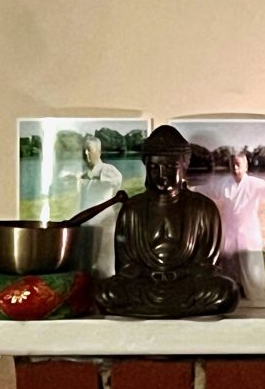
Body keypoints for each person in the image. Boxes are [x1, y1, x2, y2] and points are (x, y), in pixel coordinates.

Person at [95, 125, 239, 318]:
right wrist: (147, 275)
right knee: (104, 293)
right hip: (144, 285)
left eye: (171, 168)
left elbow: (207, 264)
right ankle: (175, 308)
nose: (162, 175)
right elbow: (125, 266)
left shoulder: (204, 208)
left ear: (184, 167)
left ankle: (153, 309)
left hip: (188, 284)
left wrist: (178, 275)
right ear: (146, 167)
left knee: (226, 291)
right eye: (155, 167)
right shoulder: (132, 210)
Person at [199, 153, 265, 304]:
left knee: (251, 264)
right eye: (232, 164)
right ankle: (231, 295)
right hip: (229, 229)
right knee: (229, 264)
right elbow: (207, 189)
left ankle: (256, 297)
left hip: (248, 230)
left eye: (238, 164)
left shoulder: (254, 183)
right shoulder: (224, 183)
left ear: (246, 166)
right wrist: (188, 187)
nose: (235, 168)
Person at [78, 136, 124, 278]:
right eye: (84, 150)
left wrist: (98, 178)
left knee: (104, 265)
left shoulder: (107, 169)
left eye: (89, 150)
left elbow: (118, 180)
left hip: (104, 224)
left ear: (98, 151)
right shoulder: (84, 174)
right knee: (86, 265)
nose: (86, 154)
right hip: (86, 225)